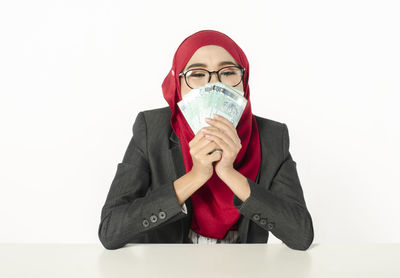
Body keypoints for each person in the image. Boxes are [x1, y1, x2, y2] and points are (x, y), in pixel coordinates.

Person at [98, 30, 314, 250]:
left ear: (244, 80)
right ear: (177, 84)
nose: (215, 84)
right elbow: (110, 230)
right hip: (167, 267)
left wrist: (229, 173)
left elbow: (301, 235)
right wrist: (196, 176)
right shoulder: (151, 130)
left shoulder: (272, 136)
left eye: (228, 72)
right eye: (197, 74)